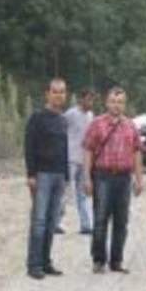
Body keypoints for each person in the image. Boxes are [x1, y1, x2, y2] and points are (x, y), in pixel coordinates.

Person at [83, 87, 143, 274]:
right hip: (102, 176)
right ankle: (99, 260)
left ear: (124, 104)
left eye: (120, 102)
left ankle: (116, 261)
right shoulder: (96, 123)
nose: (116, 105)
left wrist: (138, 179)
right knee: (100, 219)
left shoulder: (131, 125)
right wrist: (87, 178)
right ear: (107, 102)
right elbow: (87, 151)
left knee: (121, 221)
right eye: (113, 101)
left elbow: (137, 152)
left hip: (124, 178)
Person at [24, 78, 69, 280]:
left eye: (62, 92)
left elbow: (64, 149)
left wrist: (67, 175)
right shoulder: (37, 118)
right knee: (39, 221)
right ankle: (34, 265)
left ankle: (46, 262)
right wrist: (31, 175)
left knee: (51, 222)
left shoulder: (62, 120)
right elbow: (29, 147)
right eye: (55, 91)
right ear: (47, 94)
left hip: (59, 175)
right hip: (42, 174)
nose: (58, 95)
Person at [57, 88, 94, 235]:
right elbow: (59, 126)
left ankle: (85, 225)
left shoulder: (91, 116)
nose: (90, 102)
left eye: (92, 100)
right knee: (65, 191)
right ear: (81, 99)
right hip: (70, 158)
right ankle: (56, 222)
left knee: (82, 193)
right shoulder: (71, 114)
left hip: (84, 160)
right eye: (88, 99)